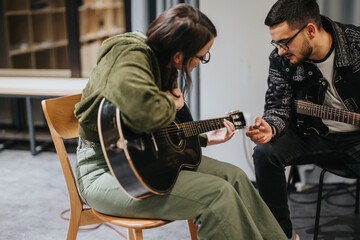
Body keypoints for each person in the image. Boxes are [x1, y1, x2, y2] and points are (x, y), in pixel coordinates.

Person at [74, 3, 287, 240]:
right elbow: (142, 111)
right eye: (202, 56)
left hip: (143, 160)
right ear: (179, 55)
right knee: (216, 195)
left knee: (235, 177)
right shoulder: (128, 54)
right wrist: (170, 104)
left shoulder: (166, 65)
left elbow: (154, 132)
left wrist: (203, 139)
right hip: (105, 172)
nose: (202, 60)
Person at [246, 0, 360, 239]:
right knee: (265, 153)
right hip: (313, 135)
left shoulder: (355, 43)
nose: (279, 50)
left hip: (356, 139)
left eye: (285, 42)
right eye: (275, 43)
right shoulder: (281, 60)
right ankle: (282, 235)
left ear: (310, 30)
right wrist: (271, 128)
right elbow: (277, 106)